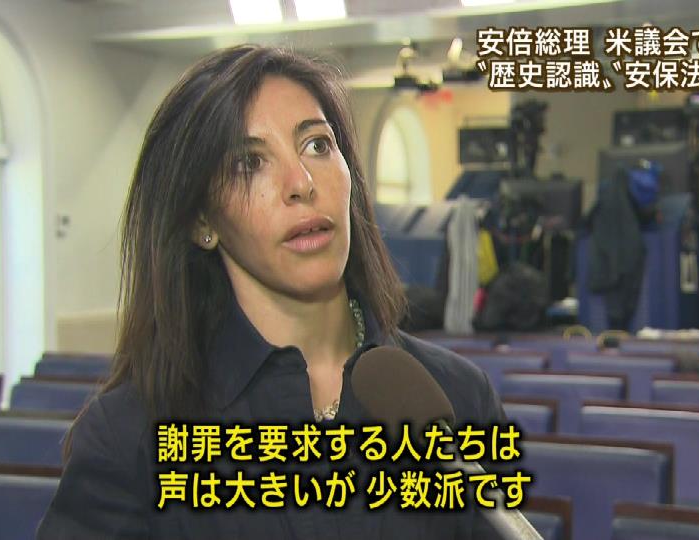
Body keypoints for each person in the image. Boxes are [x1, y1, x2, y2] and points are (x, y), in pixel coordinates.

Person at [37, 44, 511, 539]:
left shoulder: (456, 396)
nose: (300, 183)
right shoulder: (132, 434)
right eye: (249, 163)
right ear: (201, 221)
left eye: (317, 145)